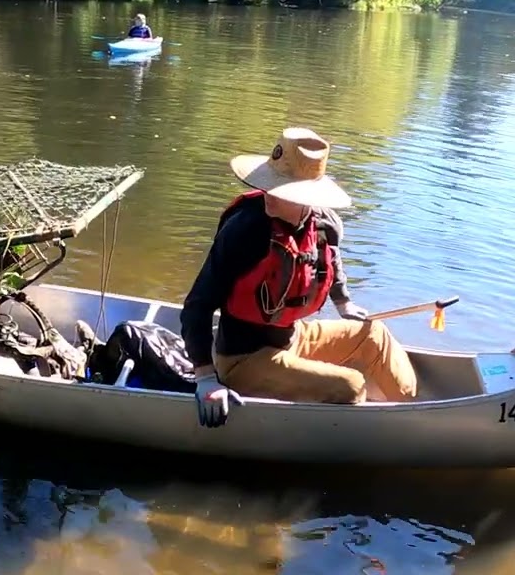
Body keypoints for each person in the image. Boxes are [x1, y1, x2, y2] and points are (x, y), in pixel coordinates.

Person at [179, 127, 418, 428]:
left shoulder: (324, 223)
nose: (269, 195)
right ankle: (367, 432)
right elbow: (196, 307)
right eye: (270, 184)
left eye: (281, 189)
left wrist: (343, 301)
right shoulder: (245, 230)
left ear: (307, 198)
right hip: (243, 360)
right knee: (351, 385)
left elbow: (331, 259)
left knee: (374, 334)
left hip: (293, 338)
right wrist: (205, 379)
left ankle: (413, 415)